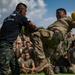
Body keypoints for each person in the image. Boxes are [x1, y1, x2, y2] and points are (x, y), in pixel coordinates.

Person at [30, 8, 75, 75]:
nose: (57, 15)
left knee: (35, 35)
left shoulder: (68, 19)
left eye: (58, 13)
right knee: (46, 63)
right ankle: (45, 64)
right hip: (50, 41)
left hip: (55, 35)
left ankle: (42, 60)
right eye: (56, 13)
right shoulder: (55, 23)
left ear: (64, 14)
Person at [0, 3, 37, 75]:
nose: (25, 13)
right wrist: (35, 29)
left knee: (15, 67)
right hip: (5, 46)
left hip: (6, 45)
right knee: (3, 70)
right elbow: (32, 25)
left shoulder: (6, 18)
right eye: (25, 11)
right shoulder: (19, 16)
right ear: (21, 10)